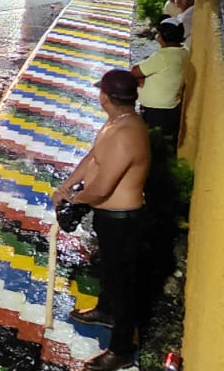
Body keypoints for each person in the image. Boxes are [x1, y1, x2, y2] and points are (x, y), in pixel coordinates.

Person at [52, 70, 152, 371]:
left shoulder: (127, 134)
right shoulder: (116, 123)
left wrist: (77, 201)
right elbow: (93, 159)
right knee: (108, 271)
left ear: (105, 97)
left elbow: (103, 186)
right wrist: (66, 187)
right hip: (109, 218)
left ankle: (120, 350)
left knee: (124, 285)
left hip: (124, 222)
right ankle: (106, 311)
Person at [132, 21, 190, 144]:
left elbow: (135, 71)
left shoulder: (163, 56)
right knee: (165, 142)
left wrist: (142, 77)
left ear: (160, 36)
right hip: (172, 108)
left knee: (152, 143)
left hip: (155, 112)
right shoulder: (184, 52)